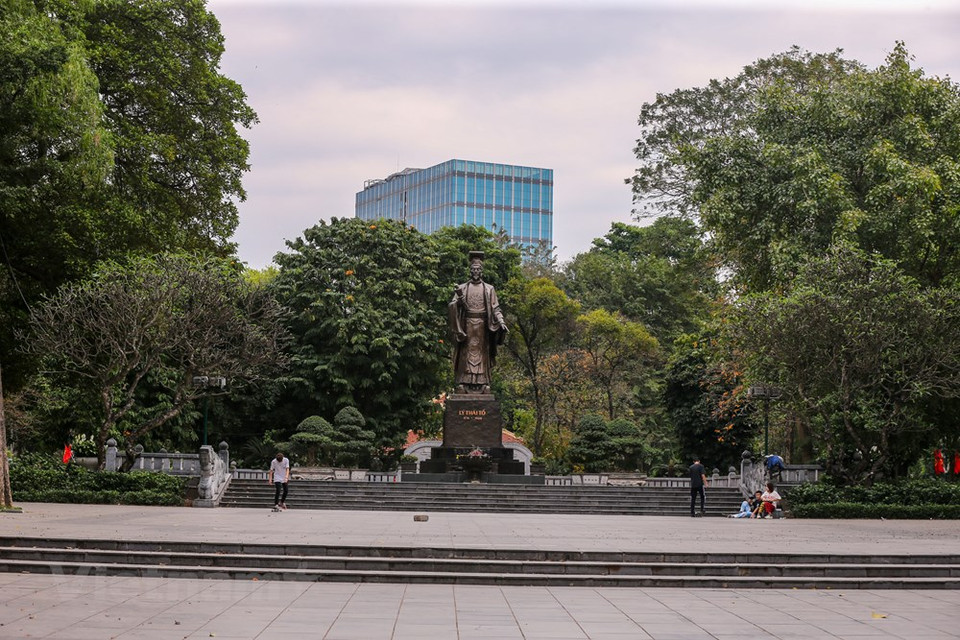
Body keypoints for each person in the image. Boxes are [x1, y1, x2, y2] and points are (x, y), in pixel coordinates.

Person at [448, 251, 508, 394]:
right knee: (465, 353)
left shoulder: (489, 289)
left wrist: (501, 321)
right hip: (466, 325)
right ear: (470, 271)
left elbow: (496, 308)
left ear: (481, 271)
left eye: (478, 269)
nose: (475, 271)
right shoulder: (462, 288)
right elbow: (452, 305)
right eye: (473, 269)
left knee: (482, 354)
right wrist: (457, 304)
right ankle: (463, 383)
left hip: (483, 326)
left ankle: (483, 384)